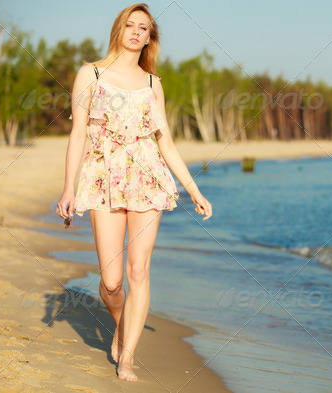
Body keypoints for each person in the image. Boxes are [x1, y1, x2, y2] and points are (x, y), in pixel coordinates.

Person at [55, 3, 212, 382]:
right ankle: (123, 326)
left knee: (138, 269)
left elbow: (167, 144)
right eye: (131, 24)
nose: (137, 31)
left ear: (149, 38)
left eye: (144, 28)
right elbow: (77, 136)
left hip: (148, 180)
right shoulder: (90, 74)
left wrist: (194, 190)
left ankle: (126, 356)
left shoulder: (152, 83)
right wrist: (68, 189)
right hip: (102, 179)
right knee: (111, 282)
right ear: (119, 30)